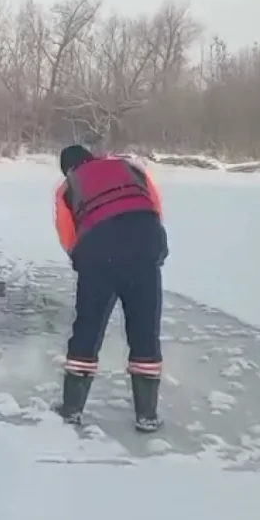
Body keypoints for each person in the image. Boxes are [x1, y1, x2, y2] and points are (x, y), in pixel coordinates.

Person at [52, 145, 169, 432]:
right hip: (145, 245)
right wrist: (150, 250)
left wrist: (85, 261)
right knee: (145, 331)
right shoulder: (131, 169)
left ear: (68, 169)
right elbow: (154, 207)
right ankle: (146, 415)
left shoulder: (68, 187)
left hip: (99, 252)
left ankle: (71, 410)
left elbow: (68, 235)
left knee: (87, 330)